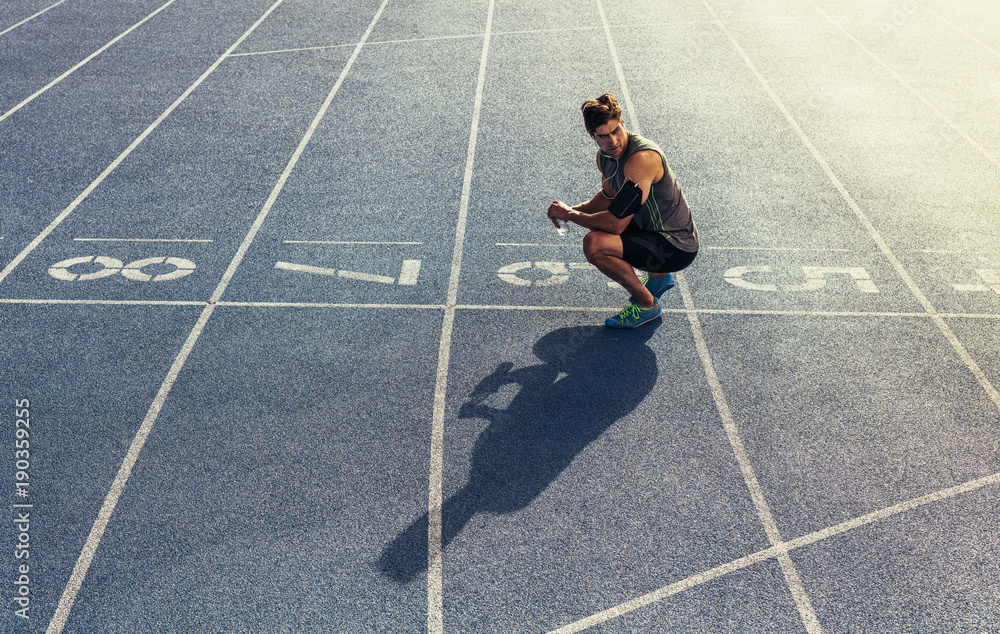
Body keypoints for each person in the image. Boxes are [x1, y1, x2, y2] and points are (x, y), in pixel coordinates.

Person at [547, 93, 699, 328]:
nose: (613, 141)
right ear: (592, 136)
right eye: (604, 136)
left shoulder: (641, 159)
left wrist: (571, 216)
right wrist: (569, 210)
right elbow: (608, 197)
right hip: (649, 231)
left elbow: (615, 224)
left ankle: (647, 305)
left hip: (675, 246)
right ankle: (658, 278)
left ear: (623, 124)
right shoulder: (605, 157)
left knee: (594, 245)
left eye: (616, 131)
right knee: (606, 226)